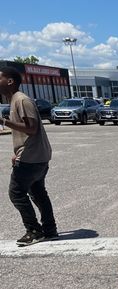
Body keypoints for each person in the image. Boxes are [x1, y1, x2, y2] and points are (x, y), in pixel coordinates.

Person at [0, 66, 58, 246]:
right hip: (36, 155)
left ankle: (33, 230)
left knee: (16, 193)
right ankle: (49, 230)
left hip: (31, 158)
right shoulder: (16, 100)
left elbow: (31, 129)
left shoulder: (22, 100)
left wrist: (2, 121)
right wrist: (17, 152)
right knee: (38, 193)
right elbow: (26, 131)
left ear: (9, 81)